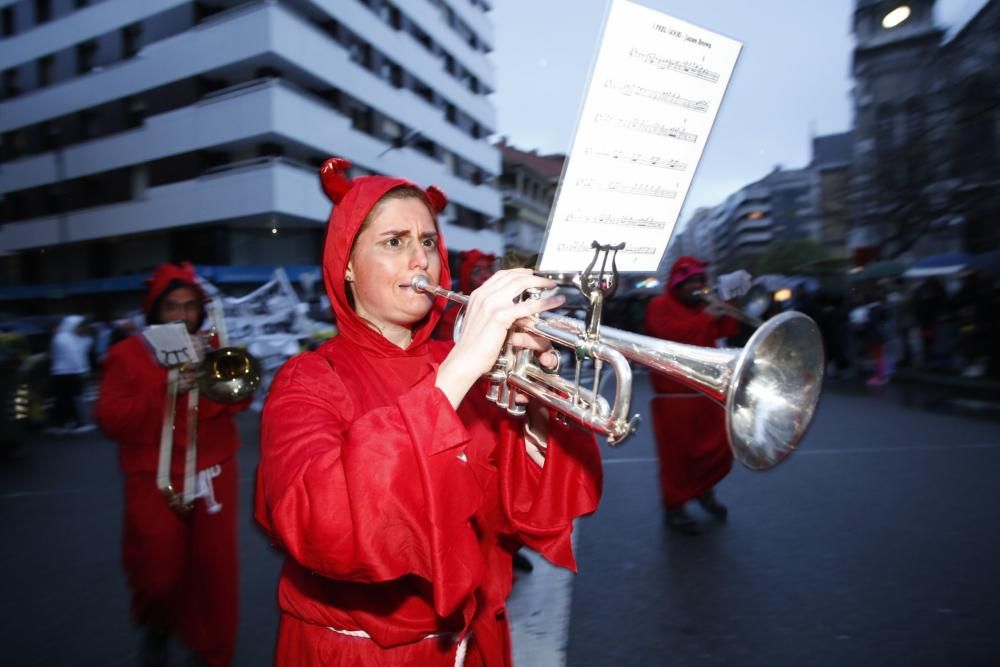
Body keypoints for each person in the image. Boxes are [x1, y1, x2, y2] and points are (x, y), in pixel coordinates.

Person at [254, 157, 603, 665]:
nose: (420, 258)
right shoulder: (308, 378)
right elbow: (322, 524)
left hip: (474, 644)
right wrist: (458, 372)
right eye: (394, 242)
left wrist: (536, 410)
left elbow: (522, 513)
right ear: (346, 265)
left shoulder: (459, 363)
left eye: (427, 242)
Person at [96, 262, 249, 667]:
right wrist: (165, 391)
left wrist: (206, 375)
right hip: (152, 474)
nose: (182, 316)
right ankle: (157, 624)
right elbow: (111, 418)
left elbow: (239, 400)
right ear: (155, 312)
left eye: (190, 306)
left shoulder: (213, 346)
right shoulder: (125, 355)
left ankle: (212, 652)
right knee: (157, 572)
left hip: (213, 472)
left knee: (216, 572)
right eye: (171, 307)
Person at [643, 256, 741, 535]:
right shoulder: (658, 306)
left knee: (716, 449)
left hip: (708, 392)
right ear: (678, 284)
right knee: (678, 458)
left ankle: (703, 490)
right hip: (674, 397)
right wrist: (708, 316)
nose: (698, 287)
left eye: (701, 281)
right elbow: (672, 340)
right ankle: (674, 506)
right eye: (692, 282)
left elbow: (725, 331)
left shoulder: (703, 307)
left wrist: (729, 306)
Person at [433, 249, 496, 342]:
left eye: (489, 269)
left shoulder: (500, 304)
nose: (487, 275)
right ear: (466, 278)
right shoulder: (453, 315)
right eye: (477, 272)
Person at [48, 314, 94, 434]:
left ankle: (65, 423)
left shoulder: (72, 337)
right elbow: (73, 356)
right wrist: (83, 370)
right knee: (70, 399)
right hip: (67, 372)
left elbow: (84, 347)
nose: (82, 329)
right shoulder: (63, 338)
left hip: (68, 372)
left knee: (66, 399)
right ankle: (72, 423)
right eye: (80, 326)